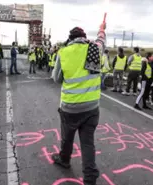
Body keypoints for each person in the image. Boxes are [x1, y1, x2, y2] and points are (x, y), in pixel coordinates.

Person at [51, 23, 106, 185]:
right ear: (84, 38)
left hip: (70, 107)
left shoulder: (63, 52)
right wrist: (102, 28)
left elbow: (56, 79)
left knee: (67, 138)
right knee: (88, 143)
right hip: (91, 107)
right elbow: (101, 39)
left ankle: (64, 159)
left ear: (70, 39)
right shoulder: (95, 49)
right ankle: (90, 177)